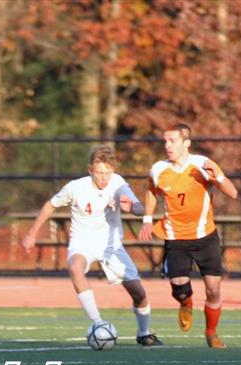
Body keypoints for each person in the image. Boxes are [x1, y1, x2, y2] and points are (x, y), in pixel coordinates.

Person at [22, 145, 163, 347]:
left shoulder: (118, 183)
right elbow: (50, 205)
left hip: (112, 246)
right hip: (83, 242)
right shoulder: (75, 188)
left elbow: (140, 208)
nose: (104, 178)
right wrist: (31, 233)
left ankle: (144, 333)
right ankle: (98, 323)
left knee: (139, 293)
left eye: (108, 172)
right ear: (90, 171)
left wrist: (132, 208)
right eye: (99, 173)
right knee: (75, 267)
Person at [139, 123, 238, 348]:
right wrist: (147, 218)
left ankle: (211, 333)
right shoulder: (158, 169)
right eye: (165, 141)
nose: (167, 145)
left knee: (213, 289)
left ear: (186, 143)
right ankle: (186, 303)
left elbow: (232, 193)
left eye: (172, 141)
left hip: (205, 236)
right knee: (180, 289)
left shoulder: (202, 164)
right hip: (175, 238)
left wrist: (217, 178)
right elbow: (151, 192)